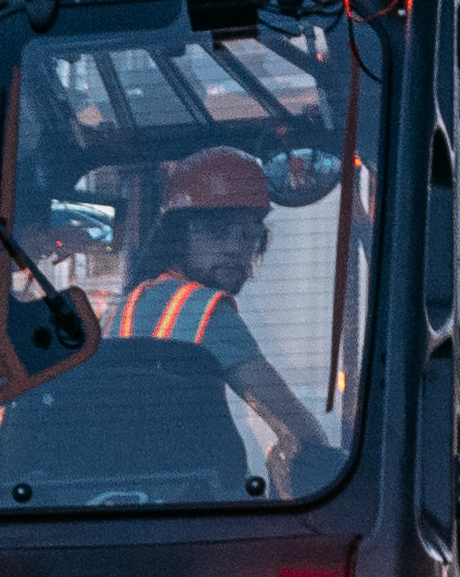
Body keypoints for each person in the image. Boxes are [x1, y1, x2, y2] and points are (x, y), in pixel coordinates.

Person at [111, 146, 336, 478]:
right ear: (180, 234)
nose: (235, 248)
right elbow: (302, 435)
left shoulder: (130, 304)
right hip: (200, 508)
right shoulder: (207, 312)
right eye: (217, 231)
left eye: (247, 235)